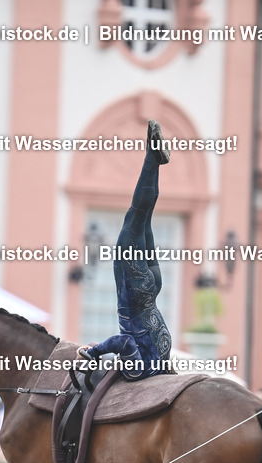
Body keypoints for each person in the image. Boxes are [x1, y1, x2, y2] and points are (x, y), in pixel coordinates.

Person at [78, 119, 172, 380]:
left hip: (151, 292)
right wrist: (96, 352)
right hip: (136, 294)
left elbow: (137, 344)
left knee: (144, 217)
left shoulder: (157, 366)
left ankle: (155, 162)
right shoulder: (137, 375)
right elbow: (126, 344)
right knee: (136, 216)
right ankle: (152, 158)